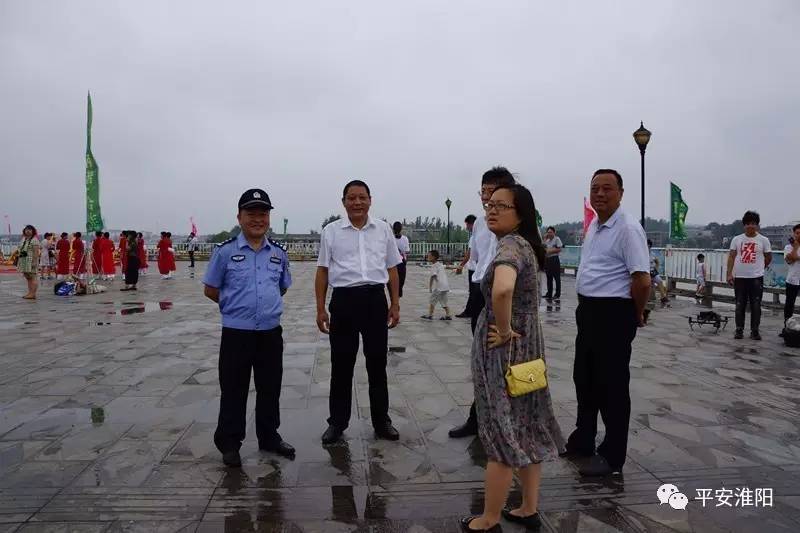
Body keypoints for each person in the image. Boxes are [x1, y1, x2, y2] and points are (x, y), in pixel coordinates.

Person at [460, 184, 564, 532]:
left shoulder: (509, 247)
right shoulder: (528, 246)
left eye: (501, 206)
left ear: (521, 213)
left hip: (504, 355)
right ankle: (528, 507)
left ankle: (489, 518)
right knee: (527, 425)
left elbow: (503, 287)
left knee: (501, 429)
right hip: (530, 353)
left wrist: (502, 330)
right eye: (489, 205)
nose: (491, 210)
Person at [563, 169, 651, 478]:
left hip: (614, 313)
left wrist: (636, 313)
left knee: (612, 385)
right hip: (588, 311)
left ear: (621, 193)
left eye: (607, 189)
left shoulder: (627, 228)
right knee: (584, 377)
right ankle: (583, 437)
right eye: (595, 188)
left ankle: (613, 454)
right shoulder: (595, 226)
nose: (600, 194)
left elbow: (641, 279)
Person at [203, 188, 294, 467]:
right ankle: (229, 442)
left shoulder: (278, 254)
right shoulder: (225, 252)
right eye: (251, 213)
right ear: (239, 217)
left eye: (263, 214)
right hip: (236, 334)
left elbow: (281, 287)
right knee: (233, 388)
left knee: (270, 387)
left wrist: (261, 306)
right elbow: (211, 289)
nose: (258, 219)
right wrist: (237, 307)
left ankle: (269, 436)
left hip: (270, 333)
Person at [315, 179, 403, 445]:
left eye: (362, 197)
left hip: (375, 300)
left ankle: (382, 421)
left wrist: (395, 303)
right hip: (343, 301)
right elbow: (322, 271)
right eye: (351, 198)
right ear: (343, 202)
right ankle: (337, 423)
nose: (357, 203)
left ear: (370, 200)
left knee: (377, 364)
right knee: (341, 365)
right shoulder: (331, 232)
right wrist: (321, 308)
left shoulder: (383, 229)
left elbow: (392, 268)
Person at [450, 167, 515, 439]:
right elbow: (477, 257)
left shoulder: (516, 222)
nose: (485, 197)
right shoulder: (479, 222)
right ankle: (478, 418)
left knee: (506, 362)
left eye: (491, 191)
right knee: (481, 359)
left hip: (505, 294)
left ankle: (508, 422)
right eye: (483, 191)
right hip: (481, 291)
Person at [727, 211, 772, 340]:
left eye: (753, 223)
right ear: (744, 225)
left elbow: (768, 257)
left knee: (756, 305)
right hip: (740, 277)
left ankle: (755, 330)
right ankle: (739, 329)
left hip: (756, 278)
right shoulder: (737, 239)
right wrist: (729, 274)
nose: (750, 226)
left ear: (757, 225)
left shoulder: (763, 240)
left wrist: (759, 268)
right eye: (748, 224)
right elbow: (731, 257)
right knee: (739, 304)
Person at [455, 214, 478, 318]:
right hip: (478, 267)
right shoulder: (478, 236)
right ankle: (471, 311)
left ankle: (471, 312)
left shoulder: (474, 237)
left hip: (474, 268)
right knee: (474, 291)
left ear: (472, 224)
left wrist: (461, 265)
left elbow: (469, 254)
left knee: (473, 292)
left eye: (467, 225)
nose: (466, 227)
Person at [421, 249, 452, 320]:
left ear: (434, 257)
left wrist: (430, 287)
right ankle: (448, 314)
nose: (427, 257)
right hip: (445, 286)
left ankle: (430, 314)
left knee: (432, 299)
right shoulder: (440, 264)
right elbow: (447, 267)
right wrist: (456, 267)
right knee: (443, 301)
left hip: (439, 286)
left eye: (429, 256)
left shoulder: (434, 266)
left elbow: (433, 276)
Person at [783, 226, 800, 332]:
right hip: (792, 279)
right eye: (797, 233)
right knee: (789, 304)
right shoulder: (788, 247)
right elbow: (790, 260)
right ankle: (787, 327)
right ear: (794, 234)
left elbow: (793, 258)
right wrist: (795, 247)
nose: (799, 235)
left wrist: (795, 257)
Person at [17, 225, 41, 299]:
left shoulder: (34, 240)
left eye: (30, 230)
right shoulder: (24, 239)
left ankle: (33, 294)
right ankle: (30, 293)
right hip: (24, 261)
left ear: (33, 231)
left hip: (31, 261)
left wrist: (34, 262)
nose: (28, 231)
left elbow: (36, 252)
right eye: (26, 229)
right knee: (28, 278)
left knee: (33, 277)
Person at [542, 226, 563, 300]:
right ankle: (549, 293)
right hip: (548, 260)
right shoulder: (547, 241)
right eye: (548, 232)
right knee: (549, 277)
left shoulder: (557, 239)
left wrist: (549, 250)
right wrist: (544, 239)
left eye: (551, 232)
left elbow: (559, 249)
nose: (549, 233)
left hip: (554, 259)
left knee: (557, 278)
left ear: (554, 232)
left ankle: (557, 294)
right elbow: (543, 248)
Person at [647, 239, 670, 306]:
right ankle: (647, 298)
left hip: (652, 272)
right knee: (649, 285)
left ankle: (663, 297)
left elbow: (657, 262)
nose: (647, 246)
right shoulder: (641, 254)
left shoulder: (652, 254)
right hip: (645, 273)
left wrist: (656, 269)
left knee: (659, 281)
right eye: (646, 245)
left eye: (648, 245)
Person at [391, 222, 410, 297]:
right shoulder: (405, 239)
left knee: (392, 283)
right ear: (401, 229)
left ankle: (394, 302)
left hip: (392, 263)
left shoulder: (390, 238)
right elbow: (407, 251)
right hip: (402, 263)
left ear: (393, 229)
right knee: (400, 283)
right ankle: (397, 302)